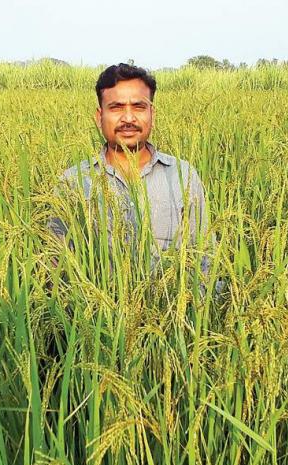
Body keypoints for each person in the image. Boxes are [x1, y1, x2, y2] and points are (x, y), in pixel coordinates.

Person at [46, 62, 222, 298]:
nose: (128, 118)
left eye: (139, 106)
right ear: (100, 116)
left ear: (152, 114)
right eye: (116, 107)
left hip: (170, 322)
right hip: (97, 326)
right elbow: (55, 270)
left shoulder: (183, 176)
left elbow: (204, 262)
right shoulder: (74, 183)